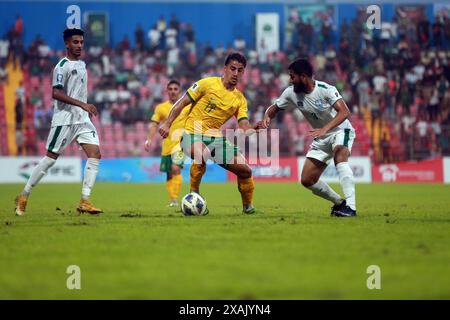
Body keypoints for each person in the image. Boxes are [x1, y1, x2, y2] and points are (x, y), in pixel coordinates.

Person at [14, 28, 102, 216]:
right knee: (50, 160)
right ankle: (24, 195)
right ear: (67, 44)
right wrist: (83, 104)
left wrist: (83, 108)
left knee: (95, 153)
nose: (79, 45)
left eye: (81, 42)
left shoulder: (82, 64)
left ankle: (85, 200)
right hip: (65, 120)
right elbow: (56, 93)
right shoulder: (61, 66)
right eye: (75, 42)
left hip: (81, 119)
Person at [158, 52, 260, 214]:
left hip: (216, 139)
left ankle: (248, 207)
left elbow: (243, 126)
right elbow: (182, 102)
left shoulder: (239, 99)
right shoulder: (206, 84)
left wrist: (253, 128)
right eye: (232, 68)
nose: (235, 73)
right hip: (191, 134)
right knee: (202, 154)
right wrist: (167, 123)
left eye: (240, 70)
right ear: (225, 68)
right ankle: (194, 194)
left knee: (245, 170)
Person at [261, 58, 357, 217]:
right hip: (321, 136)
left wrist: (324, 128)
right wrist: (266, 117)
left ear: (303, 76)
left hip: (340, 130)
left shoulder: (326, 89)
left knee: (340, 155)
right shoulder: (290, 92)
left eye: (292, 76)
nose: (290, 80)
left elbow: (345, 112)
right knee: (307, 180)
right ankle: (340, 203)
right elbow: (275, 108)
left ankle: (351, 208)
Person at [145, 80, 190, 207]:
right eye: (170, 89)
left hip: (181, 144)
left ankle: (175, 199)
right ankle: (173, 200)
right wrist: (149, 139)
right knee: (169, 173)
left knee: (176, 168)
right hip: (167, 145)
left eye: (175, 89)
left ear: (179, 91)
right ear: (167, 91)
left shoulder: (186, 106)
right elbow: (154, 124)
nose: (173, 91)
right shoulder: (160, 108)